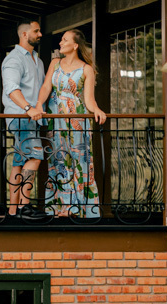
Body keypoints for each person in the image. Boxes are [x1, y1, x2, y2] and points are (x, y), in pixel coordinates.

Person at [32, 29, 107, 217]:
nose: (60, 43)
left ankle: (80, 208)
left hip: (77, 121)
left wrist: (97, 110)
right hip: (56, 120)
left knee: (80, 161)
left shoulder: (86, 69)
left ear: (75, 45)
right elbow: (46, 87)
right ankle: (62, 207)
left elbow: (89, 100)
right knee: (58, 161)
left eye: (64, 40)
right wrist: (39, 104)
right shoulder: (55, 63)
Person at [0, 20, 46, 216]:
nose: (40, 34)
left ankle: (13, 211)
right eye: (36, 31)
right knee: (35, 157)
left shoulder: (38, 60)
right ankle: (24, 206)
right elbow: (11, 89)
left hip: (32, 118)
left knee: (19, 162)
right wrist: (28, 108)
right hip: (21, 116)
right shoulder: (14, 59)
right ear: (24, 34)